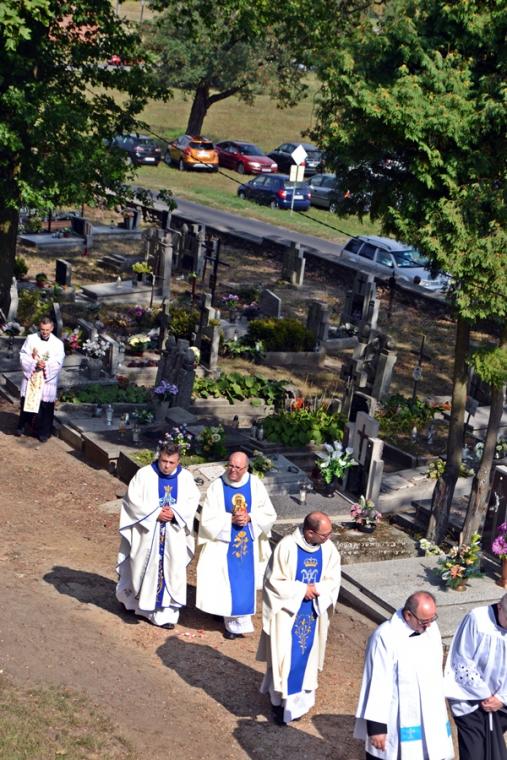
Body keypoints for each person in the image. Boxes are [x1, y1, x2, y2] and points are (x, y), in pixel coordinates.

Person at [257, 511, 341, 725]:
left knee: (306, 660)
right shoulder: (286, 547)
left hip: (312, 613)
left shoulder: (328, 549)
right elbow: (272, 581)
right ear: (310, 532)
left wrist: (317, 588)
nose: (328, 538)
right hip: (287, 615)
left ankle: (298, 705)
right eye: (324, 534)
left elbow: (333, 579)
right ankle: (278, 704)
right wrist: (302, 590)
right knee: (283, 659)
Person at [354, 590, 454, 760]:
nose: (429, 626)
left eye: (432, 619)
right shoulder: (384, 637)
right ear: (408, 615)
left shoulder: (430, 628)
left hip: (430, 713)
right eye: (424, 621)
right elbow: (377, 682)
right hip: (399, 716)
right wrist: (377, 727)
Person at [116, 442, 200, 629]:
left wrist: (174, 513)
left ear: (178, 461)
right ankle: (135, 604)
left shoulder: (186, 478)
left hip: (173, 536)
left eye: (171, 463)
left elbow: (191, 502)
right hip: (147, 534)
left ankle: (165, 613)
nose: (167, 466)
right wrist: (155, 513)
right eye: (163, 461)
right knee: (139, 567)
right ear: (159, 457)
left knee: (171, 570)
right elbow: (132, 502)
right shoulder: (144, 475)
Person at [196, 451, 276, 639]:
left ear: (246, 468)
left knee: (241, 584)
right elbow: (207, 518)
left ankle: (236, 624)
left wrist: (250, 517)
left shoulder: (255, 485)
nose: (233, 470)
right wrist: (229, 519)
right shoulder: (217, 486)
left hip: (248, 542)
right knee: (222, 581)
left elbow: (269, 513)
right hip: (222, 543)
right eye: (230, 466)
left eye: (238, 468)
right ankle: (229, 621)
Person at [444, 594, 507, 760]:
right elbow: (462, 659)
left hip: (501, 706)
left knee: (492, 751)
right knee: (473, 753)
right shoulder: (477, 619)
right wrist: (484, 694)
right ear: (500, 607)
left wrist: (502, 698)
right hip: (470, 701)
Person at [16, 316, 65, 442]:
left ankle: (43, 433)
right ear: (39, 327)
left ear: (52, 328)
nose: (45, 332)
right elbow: (23, 355)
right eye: (43, 329)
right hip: (32, 376)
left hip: (47, 379)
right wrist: (34, 364)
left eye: (47, 330)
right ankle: (22, 427)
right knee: (27, 402)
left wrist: (46, 366)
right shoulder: (31, 338)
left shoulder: (58, 344)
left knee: (45, 407)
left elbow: (59, 362)